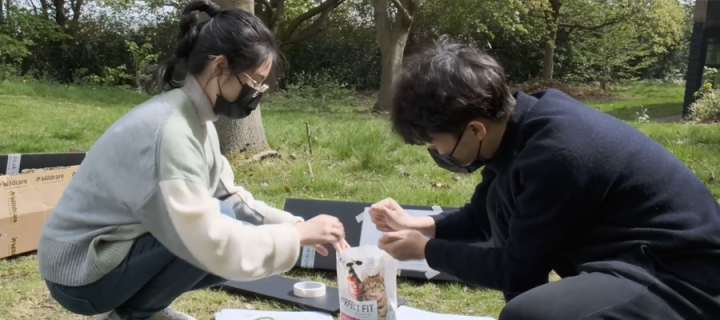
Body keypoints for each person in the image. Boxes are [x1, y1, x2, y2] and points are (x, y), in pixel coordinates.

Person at [370, 36, 720, 320]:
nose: (437, 155)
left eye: (436, 145)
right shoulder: (516, 127)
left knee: (530, 314)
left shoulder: (558, 154)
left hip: (680, 276)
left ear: (475, 129)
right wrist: (419, 225)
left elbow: (516, 270)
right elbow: (484, 215)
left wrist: (427, 251)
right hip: (633, 256)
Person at [38, 1, 348, 320]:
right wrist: (294, 238)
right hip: (79, 274)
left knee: (226, 216)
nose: (256, 94)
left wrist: (294, 224)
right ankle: (134, 314)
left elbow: (229, 195)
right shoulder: (170, 130)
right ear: (219, 66)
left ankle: (142, 309)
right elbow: (210, 239)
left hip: (107, 253)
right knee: (210, 235)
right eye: (254, 81)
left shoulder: (195, 120)